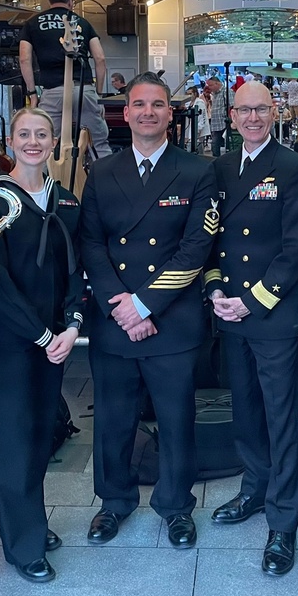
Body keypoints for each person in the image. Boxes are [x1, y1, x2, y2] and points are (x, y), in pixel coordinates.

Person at [80, 72, 218, 550]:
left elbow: (196, 248)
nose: (147, 113)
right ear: (124, 112)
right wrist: (121, 305)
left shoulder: (198, 170)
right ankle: (113, 501)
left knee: (176, 420)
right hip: (114, 315)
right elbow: (92, 244)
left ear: (170, 114)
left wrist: (143, 304)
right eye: (138, 104)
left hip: (171, 318)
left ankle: (177, 506)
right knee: (113, 419)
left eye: (157, 105)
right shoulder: (101, 171)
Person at [204, 82, 298, 576]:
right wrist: (214, 293)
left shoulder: (295, 168)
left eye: (262, 110)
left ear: (276, 113)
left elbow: (296, 247)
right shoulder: (221, 168)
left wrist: (252, 302)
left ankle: (284, 520)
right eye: (245, 110)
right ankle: (253, 489)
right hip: (230, 312)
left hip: (270, 314)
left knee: (280, 418)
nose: (253, 118)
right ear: (231, 116)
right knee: (245, 410)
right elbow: (210, 239)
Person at [0, 107, 84, 584]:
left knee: (41, 437)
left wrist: (72, 326)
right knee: (13, 442)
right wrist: (41, 335)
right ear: (10, 142)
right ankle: (22, 546)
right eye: (24, 134)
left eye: (42, 134)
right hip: (8, 343)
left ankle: (30, 522)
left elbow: (76, 270)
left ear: (54, 142)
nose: (33, 142)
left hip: (55, 341)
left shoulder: (66, 201)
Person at [19, 0, 112, 160]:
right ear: (71, 1)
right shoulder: (83, 23)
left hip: (52, 92)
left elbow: (24, 59)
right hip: (83, 90)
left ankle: (44, 185)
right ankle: (107, 185)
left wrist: (32, 94)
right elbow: (100, 59)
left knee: (44, 144)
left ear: (50, 0)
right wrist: (98, 95)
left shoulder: (32, 24)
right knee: (98, 144)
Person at [206, 76, 231, 157]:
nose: (209, 88)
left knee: (219, 143)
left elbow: (231, 106)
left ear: (217, 83)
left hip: (223, 122)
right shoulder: (214, 94)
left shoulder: (226, 92)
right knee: (215, 145)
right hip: (215, 123)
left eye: (211, 85)